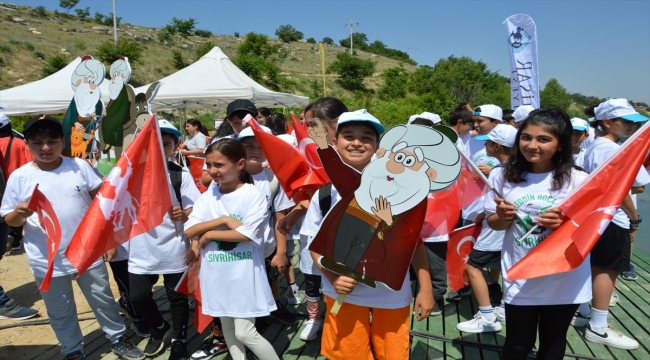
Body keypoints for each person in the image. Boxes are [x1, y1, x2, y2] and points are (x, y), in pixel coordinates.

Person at [0, 115, 144, 360]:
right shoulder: (19, 177)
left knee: (102, 298)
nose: (45, 148)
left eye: (52, 141)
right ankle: (72, 350)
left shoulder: (79, 166)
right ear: (27, 145)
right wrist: (19, 213)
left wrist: (107, 239)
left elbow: (102, 204)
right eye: (37, 142)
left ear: (62, 141)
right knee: (59, 308)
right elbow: (10, 220)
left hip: (86, 251)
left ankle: (118, 337)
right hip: (46, 258)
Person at [307, 111, 436, 360]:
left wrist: (426, 287)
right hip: (342, 293)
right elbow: (314, 244)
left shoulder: (404, 190)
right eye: (348, 136)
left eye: (366, 137)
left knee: (394, 354)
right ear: (335, 142)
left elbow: (414, 243)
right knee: (347, 355)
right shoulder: (323, 195)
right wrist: (333, 276)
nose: (357, 142)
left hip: (391, 294)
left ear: (379, 148)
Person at [487, 109, 591, 359]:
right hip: (520, 276)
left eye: (544, 139)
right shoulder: (501, 175)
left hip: (565, 279)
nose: (532, 145)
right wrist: (503, 217)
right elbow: (493, 223)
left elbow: (591, 231)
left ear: (560, 144)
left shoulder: (580, 180)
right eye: (526, 137)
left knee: (553, 343)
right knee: (517, 344)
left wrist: (565, 223)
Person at [185, 139, 280, 360]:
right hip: (216, 274)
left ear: (239, 164)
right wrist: (224, 220)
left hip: (244, 275)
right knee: (228, 329)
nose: (212, 171)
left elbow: (246, 234)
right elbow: (190, 230)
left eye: (219, 165)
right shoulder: (209, 195)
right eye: (209, 165)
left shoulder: (252, 194)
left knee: (245, 332)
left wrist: (208, 234)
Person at [127, 120, 201, 359]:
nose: (160, 149)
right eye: (154, 144)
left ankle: (179, 338)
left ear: (175, 147)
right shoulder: (131, 174)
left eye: (166, 144)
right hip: (140, 248)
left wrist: (183, 213)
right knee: (137, 295)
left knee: (177, 298)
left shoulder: (180, 174)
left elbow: (196, 208)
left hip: (173, 247)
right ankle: (159, 327)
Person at [578, 99, 647, 350]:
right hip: (612, 217)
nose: (630, 126)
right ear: (607, 122)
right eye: (626, 121)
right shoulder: (610, 149)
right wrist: (633, 216)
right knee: (607, 270)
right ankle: (598, 326)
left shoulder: (596, 146)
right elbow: (623, 187)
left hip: (596, 217)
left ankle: (586, 311)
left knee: (595, 267)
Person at [456, 124, 517, 333]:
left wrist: (481, 217)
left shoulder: (499, 172)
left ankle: (487, 315)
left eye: (488, 143)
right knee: (507, 268)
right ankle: (503, 309)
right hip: (512, 231)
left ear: (497, 146)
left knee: (472, 268)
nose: (486, 146)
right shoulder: (521, 169)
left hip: (494, 229)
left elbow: (492, 206)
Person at [237, 126, 299, 325]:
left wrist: (281, 252)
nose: (255, 150)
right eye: (248, 146)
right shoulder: (227, 177)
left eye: (260, 146)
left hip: (265, 246)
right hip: (235, 249)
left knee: (269, 279)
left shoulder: (273, 179)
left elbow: (279, 216)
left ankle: (274, 307)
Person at [449, 104, 502, 302]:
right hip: (470, 204)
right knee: (467, 245)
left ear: (496, 123)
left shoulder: (505, 142)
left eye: (480, 121)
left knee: (495, 249)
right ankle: (466, 283)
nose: (476, 125)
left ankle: (493, 283)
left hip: (493, 207)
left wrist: (494, 171)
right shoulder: (469, 140)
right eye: (475, 121)